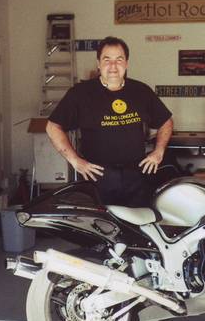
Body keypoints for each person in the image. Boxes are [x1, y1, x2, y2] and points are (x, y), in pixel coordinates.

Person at [46, 36, 173, 207]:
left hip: (137, 176)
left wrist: (158, 152)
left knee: (138, 220)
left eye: (119, 59)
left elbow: (166, 121)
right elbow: (53, 126)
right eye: (107, 60)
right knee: (100, 222)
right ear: (98, 64)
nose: (113, 66)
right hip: (97, 176)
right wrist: (75, 160)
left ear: (126, 63)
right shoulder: (81, 93)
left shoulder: (141, 91)